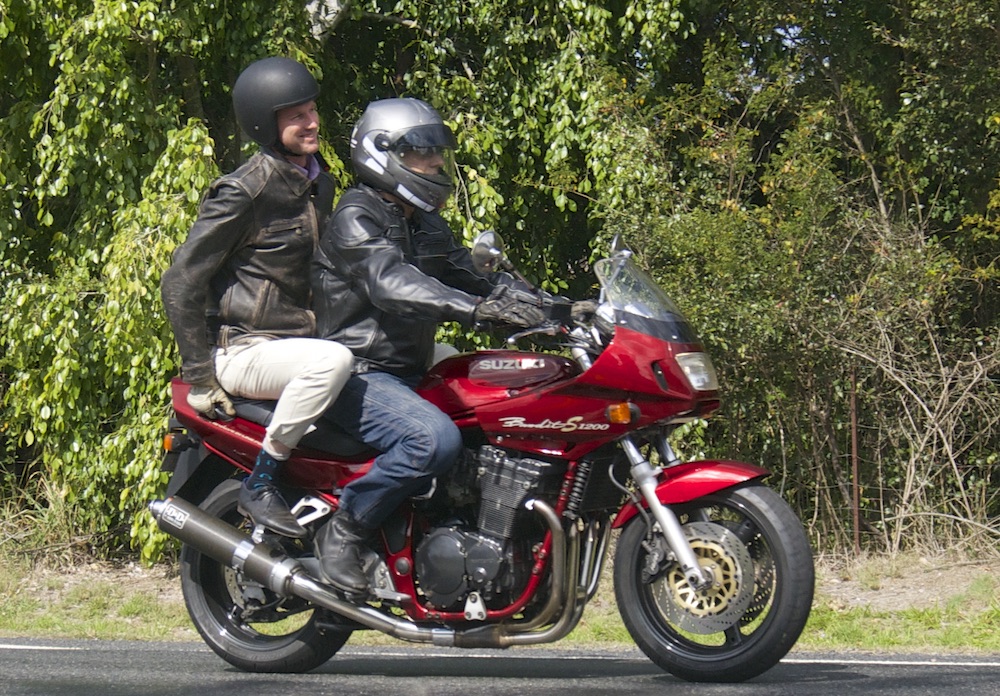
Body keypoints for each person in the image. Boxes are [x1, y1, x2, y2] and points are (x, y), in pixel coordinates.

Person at [310, 97, 547, 595]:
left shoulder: (425, 224)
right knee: (432, 440)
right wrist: (473, 311)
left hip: (409, 373)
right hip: (358, 373)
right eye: (422, 151)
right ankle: (345, 527)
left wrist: (564, 310)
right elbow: (391, 281)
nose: (437, 162)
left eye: (439, 151)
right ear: (383, 153)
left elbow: (478, 281)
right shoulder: (356, 217)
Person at [160, 57, 353, 538]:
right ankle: (261, 482)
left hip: (298, 345)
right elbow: (180, 281)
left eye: (312, 110)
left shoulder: (318, 182)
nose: (311, 122)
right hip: (245, 349)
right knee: (332, 362)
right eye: (296, 116)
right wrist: (200, 377)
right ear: (266, 124)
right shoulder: (244, 191)